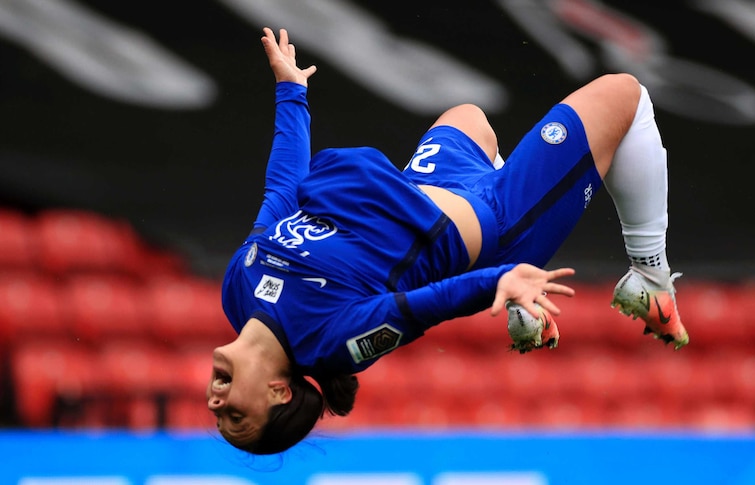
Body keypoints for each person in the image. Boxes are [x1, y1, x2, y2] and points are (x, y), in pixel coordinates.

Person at [209, 27, 689, 455]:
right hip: (498, 224)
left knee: (469, 117)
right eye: (236, 416)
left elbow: (282, 194)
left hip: (423, 188)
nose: (217, 402)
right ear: (278, 392)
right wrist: (502, 278)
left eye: (220, 416)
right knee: (625, 93)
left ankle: (527, 305)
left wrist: (292, 92)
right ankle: (650, 275)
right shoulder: (328, 343)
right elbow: (420, 309)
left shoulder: (238, 291)